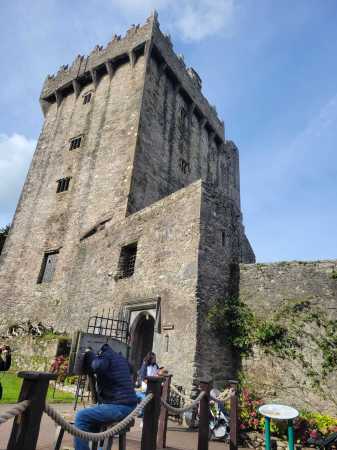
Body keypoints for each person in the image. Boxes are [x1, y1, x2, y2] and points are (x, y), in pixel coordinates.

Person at [74, 344, 137, 450]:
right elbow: (131, 368)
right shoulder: (120, 357)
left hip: (120, 407)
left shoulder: (105, 356)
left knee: (81, 416)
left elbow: (98, 366)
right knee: (91, 424)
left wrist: (90, 354)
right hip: (128, 406)